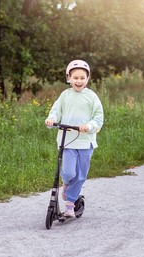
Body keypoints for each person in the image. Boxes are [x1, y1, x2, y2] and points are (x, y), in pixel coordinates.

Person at [45, 59, 104, 217]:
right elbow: (56, 111)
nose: (79, 81)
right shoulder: (65, 95)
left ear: (87, 78)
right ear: (68, 78)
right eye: (75, 77)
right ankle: (66, 184)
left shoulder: (91, 97)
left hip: (86, 142)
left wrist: (89, 126)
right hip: (68, 141)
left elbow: (98, 118)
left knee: (81, 175)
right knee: (69, 172)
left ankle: (70, 204)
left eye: (82, 78)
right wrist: (51, 120)